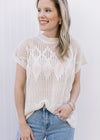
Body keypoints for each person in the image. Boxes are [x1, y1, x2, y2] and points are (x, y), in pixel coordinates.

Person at [12, 0, 87, 140]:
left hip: (62, 121)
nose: (41, 15)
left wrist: (71, 105)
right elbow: (19, 87)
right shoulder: (27, 46)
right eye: (39, 10)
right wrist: (22, 123)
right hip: (31, 121)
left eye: (47, 10)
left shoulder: (74, 47)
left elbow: (76, 83)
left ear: (60, 16)